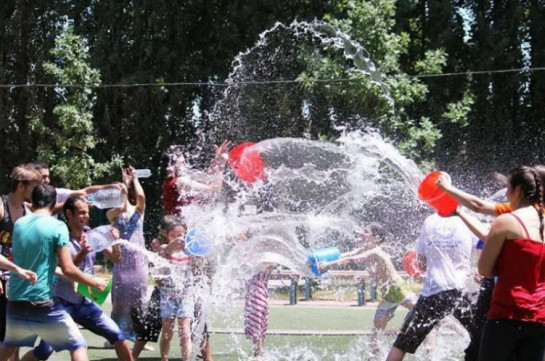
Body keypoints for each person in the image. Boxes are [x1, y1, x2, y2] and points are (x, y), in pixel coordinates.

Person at [0, 184, 107, 361]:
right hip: (41, 300)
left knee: (8, 348)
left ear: (32, 202)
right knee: (78, 345)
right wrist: (93, 282)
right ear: (54, 203)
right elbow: (68, 267)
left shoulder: (19, 224)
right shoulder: (57, 227)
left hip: (16, 299)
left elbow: (42, 263)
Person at [21, 196, 134, 361]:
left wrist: (115, 241)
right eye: (81, 213)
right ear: (69, 213)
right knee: (44, 351)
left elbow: (116, 259)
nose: (86, 216)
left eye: (87, 213)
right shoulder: (60, 237)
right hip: (60, 303)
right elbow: (67, 269)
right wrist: (82, 253)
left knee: (118, 336)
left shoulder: (92, 234)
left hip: (84, 303)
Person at [385, 213, 479, 361]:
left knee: (401, 343)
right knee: (483, 335)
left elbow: (421, 262)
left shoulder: (429, 221)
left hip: (433, 291)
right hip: (462, 289)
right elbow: (483, 249)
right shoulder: (469, 219)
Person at [319, 223, 418, 358]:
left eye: (366, 232)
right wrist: (326, 257)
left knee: (421, 313)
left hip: (398, 289)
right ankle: (373, 356)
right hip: (388, 294)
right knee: (376, 329)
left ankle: (439, 330)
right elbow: (349, 253)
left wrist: (328, 264)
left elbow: (352, 259)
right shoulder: (365, 248)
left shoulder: (376, 251)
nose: (361, 234)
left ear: (376, 238)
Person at [478, 165, 545, 360]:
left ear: (518, 191)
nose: (506, 196)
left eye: (508, 189)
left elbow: (484, 269)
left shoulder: (506, 221)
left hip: (506, 315)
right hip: (540, 319)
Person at [0, 165, 42, 355]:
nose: (37, 192)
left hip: (15, 279)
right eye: (34, 187)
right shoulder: (1, 206)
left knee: (13, 337)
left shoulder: (28, 213)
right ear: (20, 186)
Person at [106, 167, 149, 343]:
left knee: (139, 300)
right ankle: (115, 338)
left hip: (139, 263)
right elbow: (121, 207)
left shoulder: (139, 211)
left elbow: (142, 198)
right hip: (121, 263)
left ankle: (138, 338)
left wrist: (134, 179)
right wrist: (123, 187)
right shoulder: (112, 213)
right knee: (120, 302)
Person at [154, 215, 194, 361]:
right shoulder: (165, 248)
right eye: (173, 235)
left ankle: (186, 359)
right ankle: (164, 358)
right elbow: (165, 252)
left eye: (180, 235)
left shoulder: (189, 251)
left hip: (186, 294)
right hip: (167, 295)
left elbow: (199, 262)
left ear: (185, 234)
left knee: (185, 332)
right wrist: (177, 242)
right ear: (167, 236)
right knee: (167, 333)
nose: (177, 238)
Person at [162, 140, 230, 217]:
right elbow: (214, 190)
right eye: (182, 162)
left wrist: (217, 159)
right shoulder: (180, 182)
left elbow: (208, 178)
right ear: (174, 164)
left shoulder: (169, 182)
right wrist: (221, 165)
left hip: (179, 226)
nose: (185, 164)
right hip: (184, 227)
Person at [244, 265, 275, 360]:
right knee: (257, 327)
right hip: (257, 291)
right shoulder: (255, 256)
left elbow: (270, 269)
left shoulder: (267, 256)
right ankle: (258, 355)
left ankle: (260, 355)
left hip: (260, 291)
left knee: (260, 328)